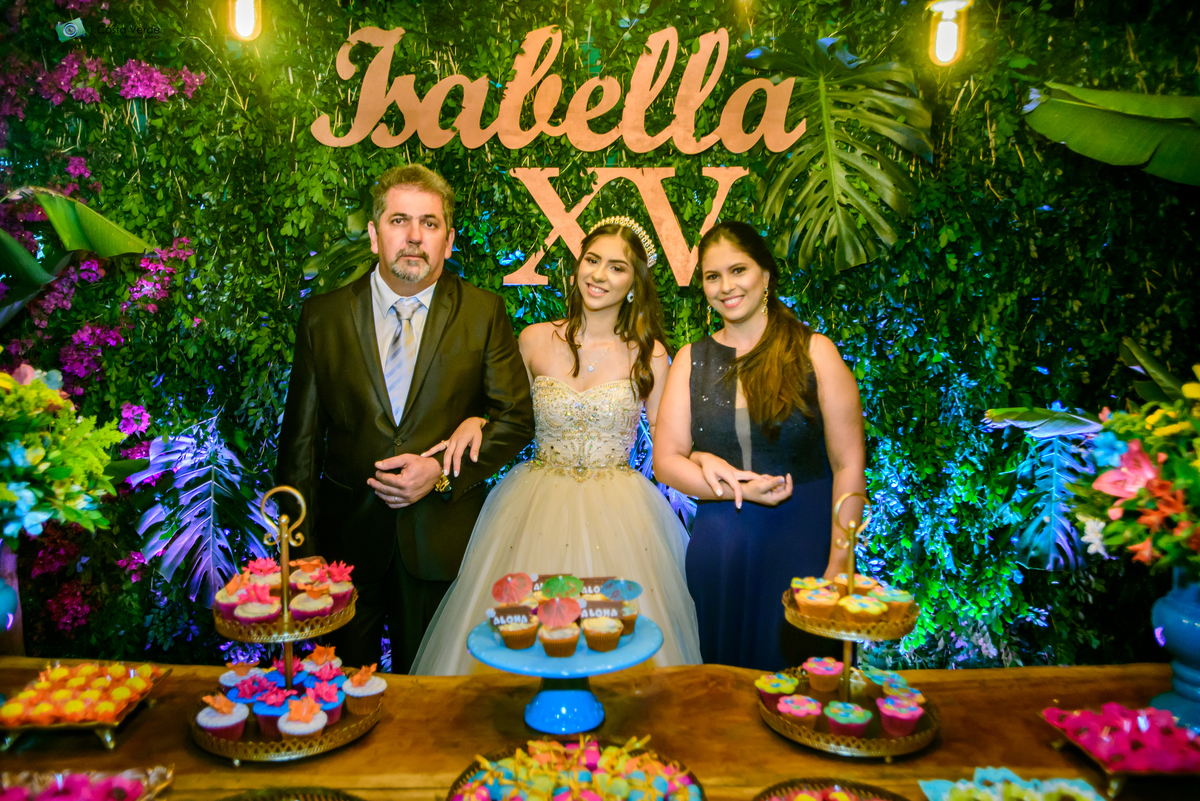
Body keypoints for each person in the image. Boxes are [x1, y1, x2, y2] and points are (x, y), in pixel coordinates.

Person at [411, 217, 702, 675]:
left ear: (634, 284)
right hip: (533, 503)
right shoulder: (533, 340)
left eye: (617, 267)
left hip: (622, 515)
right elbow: (509, 415)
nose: (599, 275)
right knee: (519, 637)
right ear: (576, 267)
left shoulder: (651, 355)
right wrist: (474, 419)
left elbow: (672, 446)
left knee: (618, 642)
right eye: (592, 260)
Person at [276, 164, 535, 673]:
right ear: (375, 235)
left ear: (449, 240)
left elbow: (516, 418)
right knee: (343, 691)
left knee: (435, 698)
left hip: (441, 542)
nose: (414, 236)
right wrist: (302, 549)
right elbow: (300, 443)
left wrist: (440, 473)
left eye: (429, 223)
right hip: (345, 548)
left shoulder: (483, 313)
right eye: (399, 221)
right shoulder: (323, 317)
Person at [652, 221, 866, 671]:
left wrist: (839, 563)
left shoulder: (815, 352)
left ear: (765, 274)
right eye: (713, 276)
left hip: (802, 546)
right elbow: (666, 461)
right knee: (723, 689)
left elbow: (848, 465)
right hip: (720, 551)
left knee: (801, 686)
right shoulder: (691, 359)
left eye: (738, 270)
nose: (726, 287)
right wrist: (735, 489)